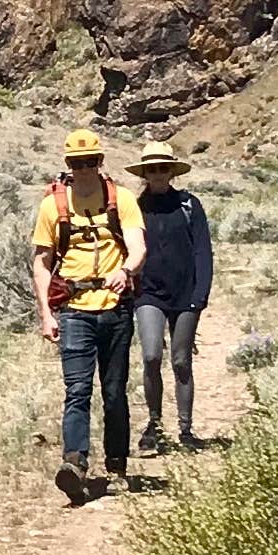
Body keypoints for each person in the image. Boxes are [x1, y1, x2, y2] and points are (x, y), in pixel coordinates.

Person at [29, 127, 144, 502]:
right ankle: (74, 464)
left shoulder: (122, 199)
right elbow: (42, 262)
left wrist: (125, 270)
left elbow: (138, 246)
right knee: (77, 390)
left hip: (115, 308)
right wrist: (46, 313)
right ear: (68, 164)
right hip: (74, 310)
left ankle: (117, 465)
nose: (83, 169)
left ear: (100, 162)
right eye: (76, 163)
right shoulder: (53, 206)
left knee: (114, 391)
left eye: (90, 162)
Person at [128, 141, 215, 451]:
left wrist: (200, 294)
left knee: (180, 360)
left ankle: (185, 430)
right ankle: (154, 424)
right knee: (151, 356)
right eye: (151, 169)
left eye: (163, 168)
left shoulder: (189, 205)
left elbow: (202, 250)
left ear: (172, 172)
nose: (157, 173)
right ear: (144, 174)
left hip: (185, 292)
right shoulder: (135, 208)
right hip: (148, 293)